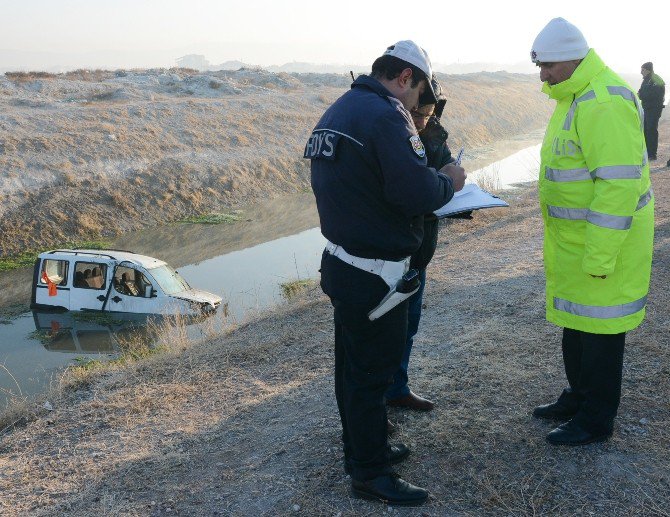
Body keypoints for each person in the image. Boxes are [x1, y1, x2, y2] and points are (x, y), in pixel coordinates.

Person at [306, 41, 466, 505]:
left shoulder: (341, 109)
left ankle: (363, 449)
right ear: (405, 78)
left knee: (352, 369)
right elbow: (414, 191)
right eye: (420, 92)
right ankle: (370, 474)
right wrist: (449, 182)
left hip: (344, 261)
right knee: (370, 374)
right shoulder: (386, 116)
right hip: (374, 273)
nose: (420, 105)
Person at [530, 18, 654, 446]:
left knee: (600, 335)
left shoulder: (601, 101)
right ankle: (578, 396)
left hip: (603, 248)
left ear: (570, 60)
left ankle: (595, 419)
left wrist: (600, 258)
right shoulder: (575, 96)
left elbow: (617, 187)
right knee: (577, 325)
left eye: (546, 66)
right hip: (576, 244)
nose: (542, 75)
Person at [385, 77, 456, 412]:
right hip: (388, 256)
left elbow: (446, 168)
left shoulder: (433, 134)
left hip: (419, 251)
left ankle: (398, 388)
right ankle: (374, 407)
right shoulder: (387, 132)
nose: (419, 121)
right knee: (383, 334)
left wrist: (454, 176)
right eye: (415, 113)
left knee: (408, 326)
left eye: (426, 115)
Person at [638, 62, 665, 161]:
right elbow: (640, 92)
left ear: (648, 70)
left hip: (654, 109)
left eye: (643, 70)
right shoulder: (646, 80)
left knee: (651, 130)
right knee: (645, 130)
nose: (641, 72)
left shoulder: (656, 79)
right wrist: (642, 95)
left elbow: (655, 95)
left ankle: (652, 154)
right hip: (646, 108)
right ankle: (647, 153)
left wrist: (643, 95)